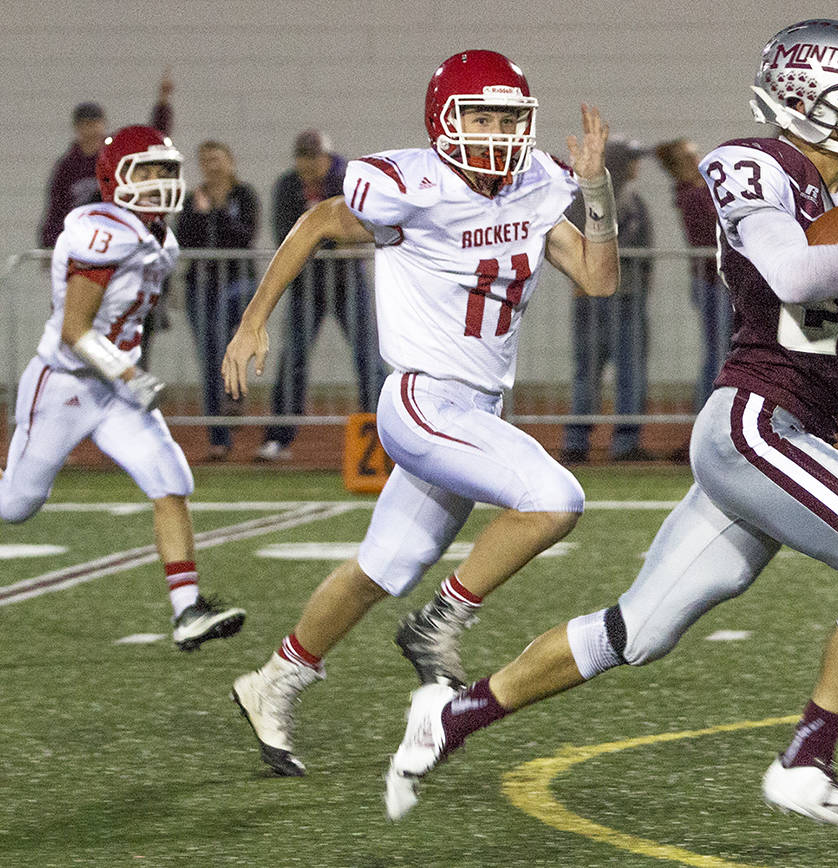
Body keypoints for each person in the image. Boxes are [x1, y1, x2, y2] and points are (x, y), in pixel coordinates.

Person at [382, 19, 838, 830]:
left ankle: (452, 717)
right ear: (803, 102)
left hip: (795, 429)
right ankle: (805, 763)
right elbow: (793, 271)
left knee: (637, 630)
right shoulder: (751, 165)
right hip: (752, 422)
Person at [222, 50, 619, 777]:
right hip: (423, 399)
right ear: (444, 121)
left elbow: (598, 277)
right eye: (483, 118)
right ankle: (440, 626)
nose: (499, 133)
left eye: (509, 119)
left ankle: (271, 682)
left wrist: (596, 189)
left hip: (476, 409)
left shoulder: (535, 186)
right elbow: (315, 222)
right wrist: (253, 320)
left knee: (381, 567)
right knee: (555, 498)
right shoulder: (412, 185)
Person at [2, 125, 245, 651]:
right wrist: (131, 373)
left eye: (165, 171)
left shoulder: (160, 237)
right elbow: (74, 329)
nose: (160, 182)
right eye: (147, 172)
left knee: (170, 478)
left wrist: (126, 375)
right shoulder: (101, 231)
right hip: (64, 385)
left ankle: (187, 612)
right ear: (116, 179)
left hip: (114, 389)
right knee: (14, 506)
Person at [253, 129, 386, 462]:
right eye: (302, 157)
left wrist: (319, 238)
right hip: (305, 285)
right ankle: (279, 437)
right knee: (293, 360)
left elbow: (362, 229)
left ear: (327, 157)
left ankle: (386, 434)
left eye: (314, 157)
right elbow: (287, 233)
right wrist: (329, 238)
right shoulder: (287, 186)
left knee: (369, 358)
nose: (308, 164)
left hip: (347, 282)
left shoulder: (348, 181)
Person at [559, 136, 654, 463]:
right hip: (593, 298)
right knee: (589, 371)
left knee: (630, 371)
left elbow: (647, 254)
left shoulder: (634, 202)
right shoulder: (586, 200)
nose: (636, 166)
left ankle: (625, 443)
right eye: (632, 159)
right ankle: (576, 440)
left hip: (627, 299)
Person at [175, 140, 262, 460]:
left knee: (231, 347)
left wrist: (218, 212)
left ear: (230, 162)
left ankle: (235, 398)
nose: (211, 165)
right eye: (205, 160)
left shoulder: (244, 196)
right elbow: (184, 239)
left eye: (217, 158)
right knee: (208, 357)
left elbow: (244, 236)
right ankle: (218, 437)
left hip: (238, 281)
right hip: (201, 286)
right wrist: (200, 215)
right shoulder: (192, 200)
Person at [39, 70, 175, 249]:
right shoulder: (67, 166)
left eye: (95, 124)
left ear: (103, 125)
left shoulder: (117, 154)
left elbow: (151, 144)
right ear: (77, 128)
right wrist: (51, 244)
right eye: (86, 125)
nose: (91, 130)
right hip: (83, 240)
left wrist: (163, 104)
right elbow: (56, 207)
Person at [655, 137, 731, 413]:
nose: (698, 160)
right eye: (690, 158)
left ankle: (715, 415)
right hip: (714, 282)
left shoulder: (700, 191)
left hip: (718, 282)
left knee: (722, 353)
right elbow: (716, 231)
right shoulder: (693, 195)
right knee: (719, 355)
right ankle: (706, 415)